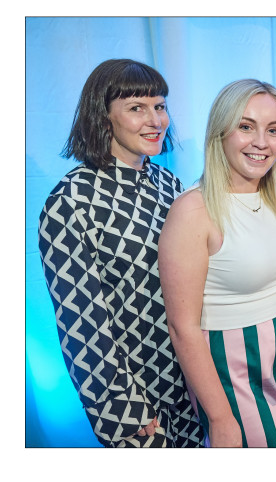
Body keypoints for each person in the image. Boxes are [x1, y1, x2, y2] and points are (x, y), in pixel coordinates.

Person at [38, 59, 204, 447]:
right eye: (136, 108)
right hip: (137, 405)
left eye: (159, 106)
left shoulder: (169, 183)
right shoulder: (70, 200)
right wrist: (120, 408)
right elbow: (80, 320)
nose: (155, 120)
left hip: (191, 386)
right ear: (103, 116)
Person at [159, 79, 276, 447]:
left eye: (273, 130)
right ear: (219, 132)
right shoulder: (193, 209)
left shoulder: (268, 197)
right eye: (245, 126)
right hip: (235, 372)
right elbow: (181, 327)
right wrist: (221, 418)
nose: (261, 142)